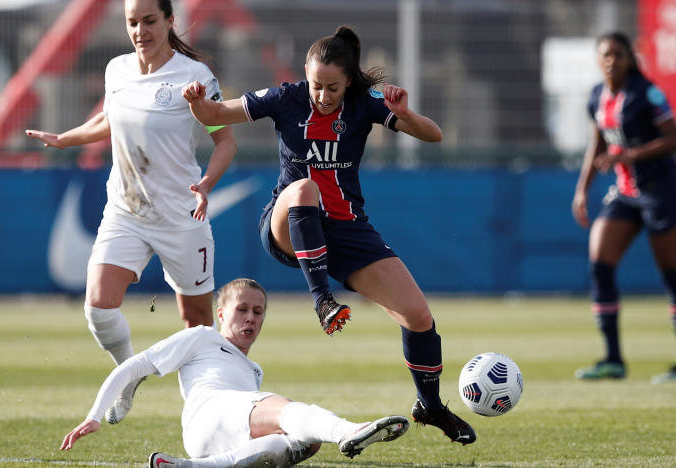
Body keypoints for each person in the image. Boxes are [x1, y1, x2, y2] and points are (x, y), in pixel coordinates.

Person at [182, 25, 475, 444]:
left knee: (419, 317)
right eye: (317, 85)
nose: (322, 95)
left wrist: (406, 114)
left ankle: (429, 405)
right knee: (304, 188)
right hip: (288, 222)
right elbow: (214, 115)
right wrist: (197, 103)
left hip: (347, 230)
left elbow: (434, 134)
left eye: (332, 87)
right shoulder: (286, 97)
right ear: (306, 72)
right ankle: (322, 300)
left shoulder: (364, 103)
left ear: (349, 82)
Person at [26, 0, 236, 423]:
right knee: (98, 307)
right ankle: (126, 376)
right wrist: (66, 139)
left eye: (150, 21)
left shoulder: (195, 76)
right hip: (126, 211)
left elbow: (224, 140)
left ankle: (207, 409)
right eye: (132, 23)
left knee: (196, 328)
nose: (140, 30)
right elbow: (111, 119)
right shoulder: (116, 70)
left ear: (170, 21)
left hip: (182, 217)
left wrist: (207, 184)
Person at [60, 278, 410, 467]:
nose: (251, 318)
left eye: (258, 312)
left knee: (303, 441)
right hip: (210, 412)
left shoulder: (252, 369)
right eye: (241, 309)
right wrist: (94, 415)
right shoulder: (202, 336)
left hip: (205, 441)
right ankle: (350, 430)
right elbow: (134, 366)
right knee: (286, 409)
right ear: (221, 314)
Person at [571, 31, 676, 383]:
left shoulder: (647, 93)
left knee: (672, 274)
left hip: (662, 191)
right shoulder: (597, 96)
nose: (611, 60)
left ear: (629, 59)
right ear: (599, 61)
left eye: (617, 54)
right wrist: (582, 191)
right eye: (605, 55)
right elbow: (595, 146)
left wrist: (630, 155)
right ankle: (613, 359)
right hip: (626, 192)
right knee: (600, 263)